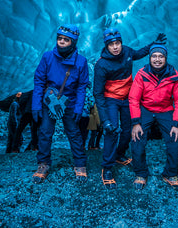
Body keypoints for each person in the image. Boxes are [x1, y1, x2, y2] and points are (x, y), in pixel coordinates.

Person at [93, 28, 167, 189]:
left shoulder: (127, 51)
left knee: (128, 130)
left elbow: (139, 53)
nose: (115, 47)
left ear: (121, 43)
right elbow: (97, 94)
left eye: (117, 43)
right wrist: (104, 120)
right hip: (110, 99)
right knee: (112, 131)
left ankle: (119, 154)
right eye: (111, 44)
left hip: (127, 98)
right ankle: (107, 168)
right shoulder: (101, 65)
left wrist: (154, 44)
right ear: (106, 45)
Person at [31, 24, 90, 183]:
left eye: (66, 39)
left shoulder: (81, 61)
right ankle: (43, 163)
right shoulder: (47, 57)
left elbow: (82, 86)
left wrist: (79, 107)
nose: (62, 42)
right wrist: (36, 105)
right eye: (60, 38)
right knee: (45, 132)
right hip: (50, 101)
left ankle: (80, 164)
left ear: (73, 42)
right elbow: (39, 81)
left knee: (74, 133)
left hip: (69, 102)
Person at [128, 43, 178, 190]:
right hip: (146, 109)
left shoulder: (174, 75)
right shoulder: (142, 74)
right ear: (150, 58)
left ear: (165, 58)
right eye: (154, 56)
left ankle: (170, 174)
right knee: (137, 138)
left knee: (176, 138)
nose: (157, 59)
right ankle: (141, 173)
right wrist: (136, 122)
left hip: (165, 110)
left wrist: (177, 124)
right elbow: (134, 99)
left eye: (161, 56)